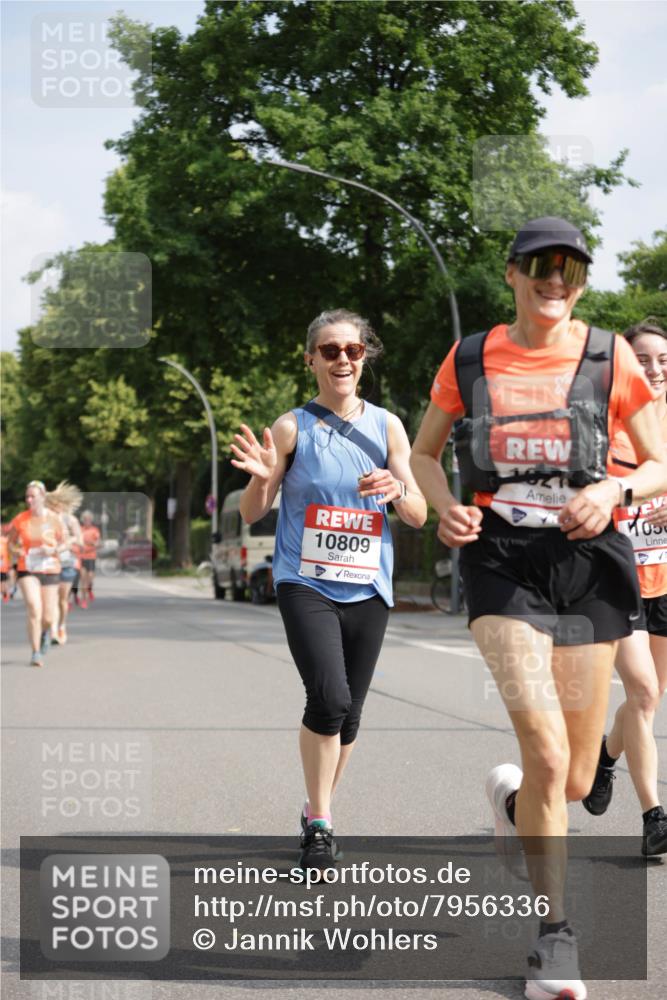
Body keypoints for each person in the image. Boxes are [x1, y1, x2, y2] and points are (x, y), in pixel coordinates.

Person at [410, 217, 667, 1000]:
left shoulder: (609, 356)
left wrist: (611, 488)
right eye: (539, 266)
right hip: (500, 561)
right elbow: (424, 453)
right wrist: (445, 503)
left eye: (570, 269)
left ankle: (513, 801)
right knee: (548, 752)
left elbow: (659, 461)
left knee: (580, 772)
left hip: (589, 562)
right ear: (512, 272)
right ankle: (554, 939)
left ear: (581, 281)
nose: (555, 279)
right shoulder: (470, 357)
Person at [231, 308, 427, 874]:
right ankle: (320, 824)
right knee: (331, 699)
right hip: (304, 581)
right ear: (311, 358)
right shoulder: (292, 426)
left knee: (352, 715)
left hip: (368, 582)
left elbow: (417, 513)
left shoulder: (388, 425)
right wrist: (263, 475)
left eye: (353, 349)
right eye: (331, 350)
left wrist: (396, 489)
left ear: (365, 356)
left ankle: (316, 805)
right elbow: (251, 513)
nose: (343, 359)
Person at [583, 319, 667, 855]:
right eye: (643, 359)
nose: (655, 369)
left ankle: (605, 756)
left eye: (663, 359)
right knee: (643, 692)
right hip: (618, 581)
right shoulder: (603, 426)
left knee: (650, 699)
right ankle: (654, 816)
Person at [7, 480, 64, 666]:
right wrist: (16, 551)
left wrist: (54, 550)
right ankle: (35, 652)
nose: (29, 500)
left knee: (47, 617)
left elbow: (66, 542)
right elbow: (10, 543)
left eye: (33, 496)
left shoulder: (54, 519)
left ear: (43, 497)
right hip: (27, 568)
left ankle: (46, 632)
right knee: (33, 607)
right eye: (27, 497)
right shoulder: (20, 519)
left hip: (49, 568)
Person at [45, 481, 83, 645]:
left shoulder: (70, 520)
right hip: (49, 563)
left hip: (66, 563)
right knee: (51, 598)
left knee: (62, 600)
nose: (55, 507)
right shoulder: (45, 519)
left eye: (57, 503)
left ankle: (61, 625)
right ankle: (53, 631)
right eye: (52, 504)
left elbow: (80, 541)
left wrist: (70, 541)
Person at [79, 510, 101, 608]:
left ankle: (90, 589)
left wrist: (93, 543)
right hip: (82, 556)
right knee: (83, 579)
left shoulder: (95, 530)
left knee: (90, 578)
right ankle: (84, 600)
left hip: (91, 557)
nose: (87, 521)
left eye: (88, 519)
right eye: (85, 519)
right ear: (83, 520)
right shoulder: (79, 529)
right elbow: (76, 541)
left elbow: (99, 544)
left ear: (91, 520)